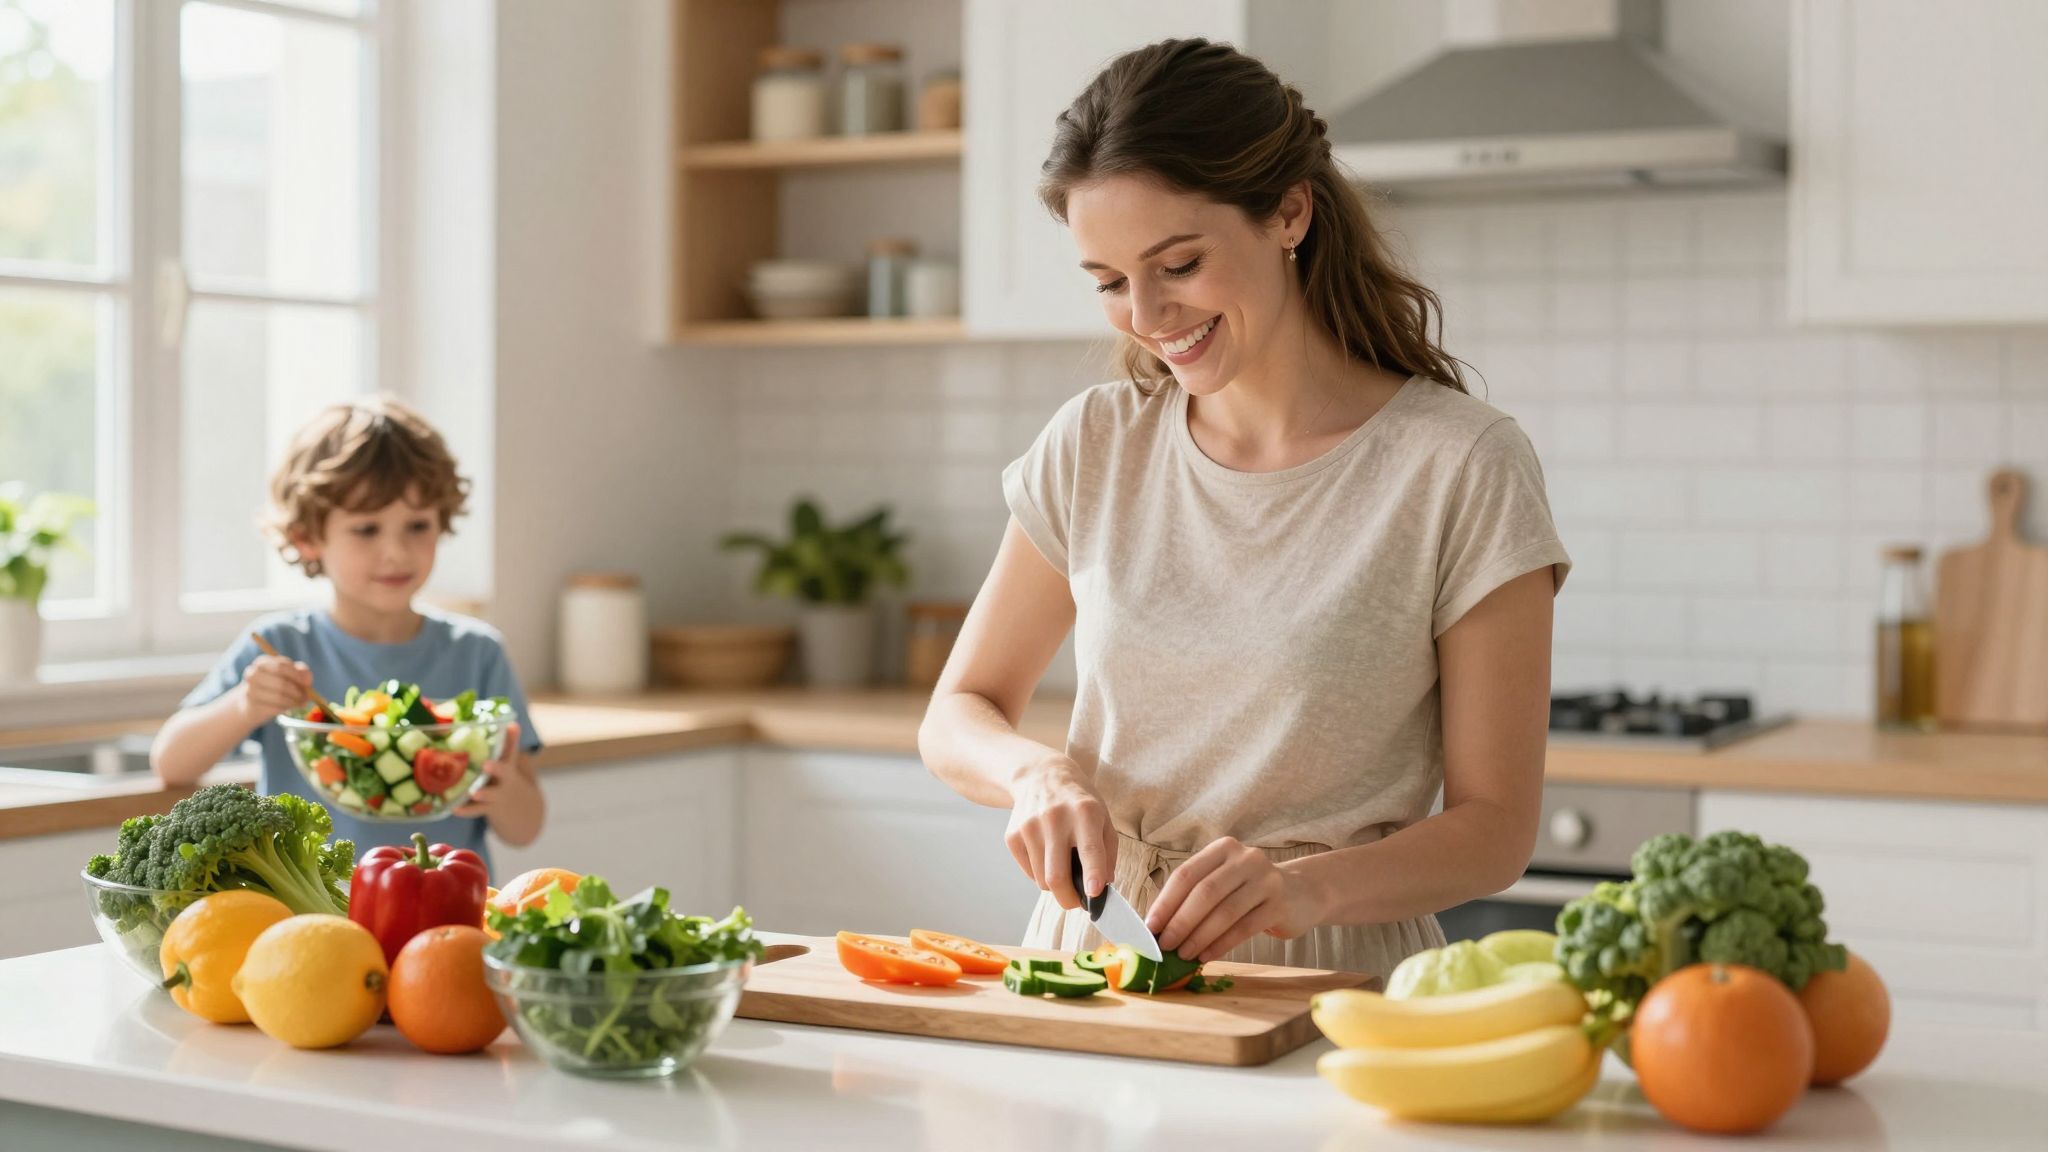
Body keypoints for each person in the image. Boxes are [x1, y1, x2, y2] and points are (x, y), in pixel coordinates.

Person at [918, 39, 1570, 982]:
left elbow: (1495, 831)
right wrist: (1035, 774)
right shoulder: (1096, 444)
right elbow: (956, 713)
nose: (1147, 315)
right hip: (1096, 960)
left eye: (1179, 264)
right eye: (1109, 282)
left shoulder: (1460, 465)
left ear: (1289, 212)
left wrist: (1305, 891)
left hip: (1326, 977)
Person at [152, 396, 545, 874]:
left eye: (417, 525)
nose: (396, 552)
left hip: (447, 905)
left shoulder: (477, 652)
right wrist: (245, 706)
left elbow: (526, 829)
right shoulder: (279, 645)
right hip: (309, 908)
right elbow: (170, 763)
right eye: (366, 529)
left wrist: (501, 788)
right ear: (307, 537)